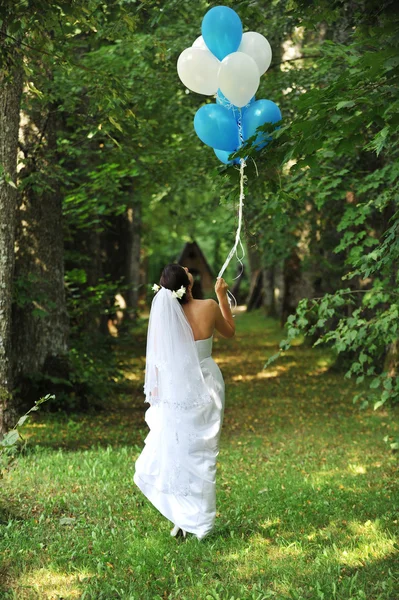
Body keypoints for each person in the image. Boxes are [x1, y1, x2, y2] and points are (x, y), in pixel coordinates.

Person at [133, 263, 235, 540]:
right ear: (188, 283)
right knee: (204, 452)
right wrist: (222, 295)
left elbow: (157, 357)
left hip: (175, 386)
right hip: (207, 383)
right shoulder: (210, 306)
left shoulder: (167, 314)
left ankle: (185, 518)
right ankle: (195, 520)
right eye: (187, 270)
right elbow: (230, 332)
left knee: (179, 450)